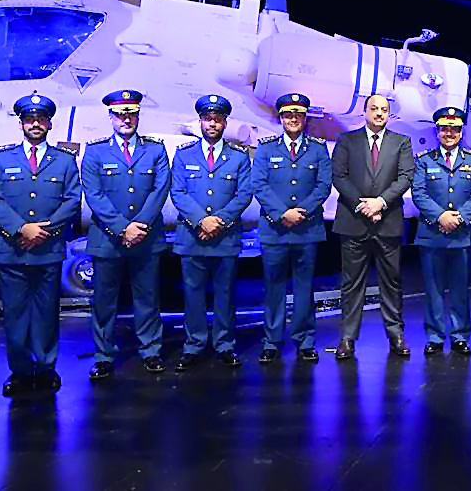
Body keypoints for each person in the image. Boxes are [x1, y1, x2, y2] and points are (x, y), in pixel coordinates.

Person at [0, 93, 81, 397]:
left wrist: (43, 230)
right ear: (22, 124)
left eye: (41, 119)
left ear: (50, 123)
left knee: (47, 313)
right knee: (15, 315)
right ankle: (20, 372)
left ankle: (47, 367)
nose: (35, 124)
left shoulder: (64, 161)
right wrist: (21, 228)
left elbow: (71, 200)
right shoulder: (2, 159)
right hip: (11, 250)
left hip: (47, 249)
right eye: (30, 119)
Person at [82, 89, 171, 380]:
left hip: (145, 239)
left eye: (131, 114)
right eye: (120, 115)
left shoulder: (155, 150)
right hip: (108, 240)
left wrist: (140, 226)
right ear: (110, 117)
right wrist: (123, 228)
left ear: (138, 116)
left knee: (147, 299)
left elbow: (160, 191)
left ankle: (151, 351)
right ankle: (104, 356)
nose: (126, 120)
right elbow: (93, 194)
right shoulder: (95, 151)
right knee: (104, 302)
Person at [170, 95, 253, 371]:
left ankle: (225, 345)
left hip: (224, 237)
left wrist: (219, 221)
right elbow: (178, 192)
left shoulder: (238, 157)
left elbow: (243, 194)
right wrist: (200, 221)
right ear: (201, 121)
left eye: (218, 119)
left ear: (225, 122)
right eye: (208, 119)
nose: (213, 124)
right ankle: (193, 345)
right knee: (192, 294)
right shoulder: (184, 154)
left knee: (225, 294)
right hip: (193, 237)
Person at [331, 94, 415, 359]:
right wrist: (363, 205)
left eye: (384, 110)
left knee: (392, 282)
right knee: (351, 284)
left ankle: (396, 335)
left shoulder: (401, 142)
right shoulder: (347, 140)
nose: (379, 113)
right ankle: (347, 338)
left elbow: (405, 177)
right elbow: (339, 176)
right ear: (364, 111)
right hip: (354, 222)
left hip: (387, 222)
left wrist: (380, 203)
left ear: (389, 114)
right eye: (374, 109)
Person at [251, 93, 332, 364]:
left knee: (304, 287)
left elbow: (323, 185)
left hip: (307, 229)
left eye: (298, 114)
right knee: (273, 287)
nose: (293, 119)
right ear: (281, 118)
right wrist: (281, 213)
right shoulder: (265, 148)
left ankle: (305, 340)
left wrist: (302, 212)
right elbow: (259, 184)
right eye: (288, 114)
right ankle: (271, 341)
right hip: (275, 229)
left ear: (305, 117)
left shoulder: (318, 149)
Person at [411, 106, 471, 356]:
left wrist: (459, 217)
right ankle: (435, 336)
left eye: (454, 129)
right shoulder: (424, 160)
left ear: (461, 133)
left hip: (463, 235)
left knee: (461, 288)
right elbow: (418, 193)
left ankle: (460, 335)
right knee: (433, 289)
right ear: (437, 131)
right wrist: (440, 216)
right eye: (444, 129)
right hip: (432, 233)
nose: (449, 133)